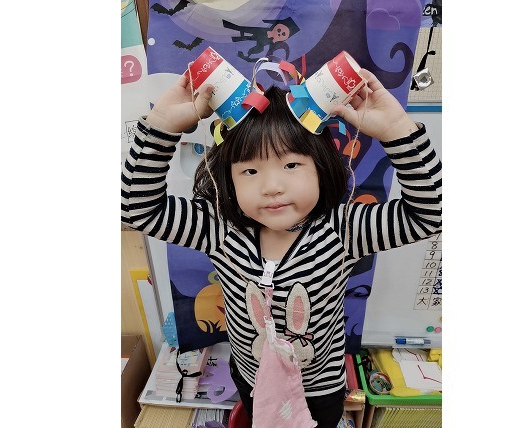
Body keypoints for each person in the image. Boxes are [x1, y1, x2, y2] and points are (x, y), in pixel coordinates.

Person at [121, 67, 442, 428]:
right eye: (250, 171)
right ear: (229, 179)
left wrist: (397, 129)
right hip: (253, 381)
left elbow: (432, 214)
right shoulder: (217, 228)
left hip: (318, 390)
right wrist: (162, 125)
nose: (272, 186)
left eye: (291, 164)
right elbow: (136, 209)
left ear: (320, 168)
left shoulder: (344, 229)